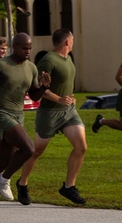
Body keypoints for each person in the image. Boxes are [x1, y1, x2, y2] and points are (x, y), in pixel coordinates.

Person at [0, 33, 51, 207]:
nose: (28, 51)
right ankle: (4, 178)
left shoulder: (31, 68)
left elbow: (34, 95)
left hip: (18, 115)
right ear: (15, 47)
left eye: (30, 48)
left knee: (3, 160)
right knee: (29, 148)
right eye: (24, 48)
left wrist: (44, 86)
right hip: (2, 114)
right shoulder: (0, 64)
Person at [17, 29, 88, 205]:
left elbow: (64, 84)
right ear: (66, 42)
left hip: (69, 112)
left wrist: (69, 97)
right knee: (36, 151)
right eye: (72, 39)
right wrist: (59, 99)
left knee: (81, 146)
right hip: (49, 113)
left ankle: (69, 187)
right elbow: (39, 88)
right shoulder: (48, 60)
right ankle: (22, 183)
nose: (73, 41)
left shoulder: (68, 59)